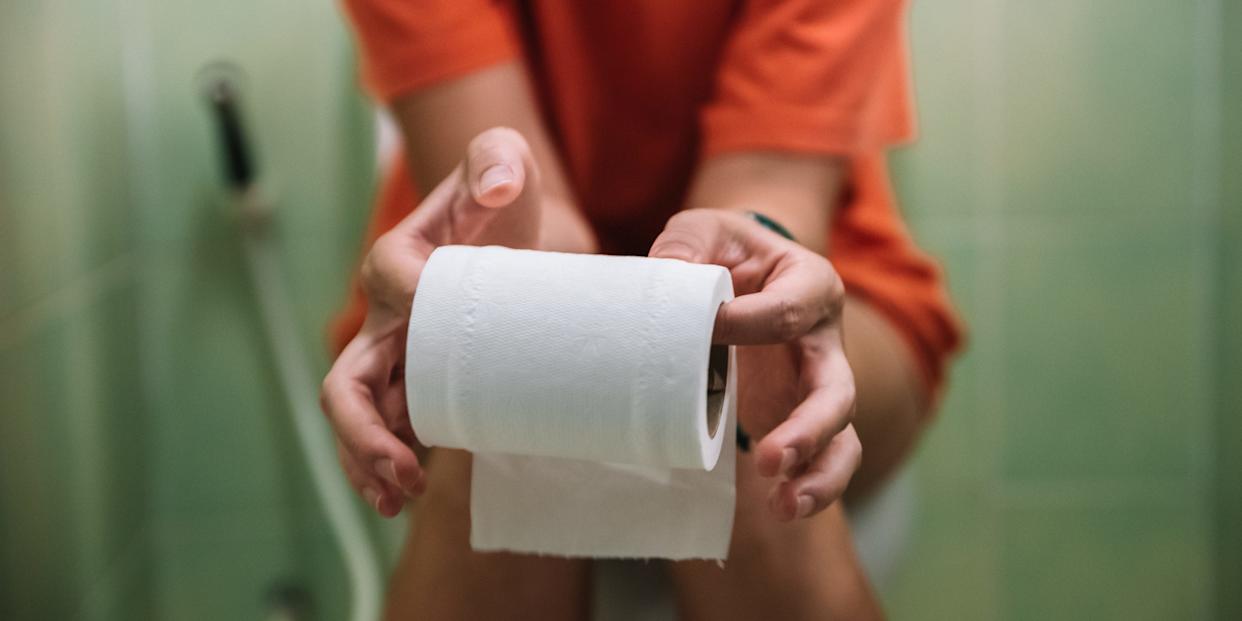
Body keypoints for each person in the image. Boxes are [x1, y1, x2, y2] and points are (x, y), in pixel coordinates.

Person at [320, 1, 963, 619]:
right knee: (515, 367)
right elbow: (519, 217)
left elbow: (765, 196)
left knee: (736, 375)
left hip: (820, 279)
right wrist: (533, 298)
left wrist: (726, 289)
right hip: (505, 253)